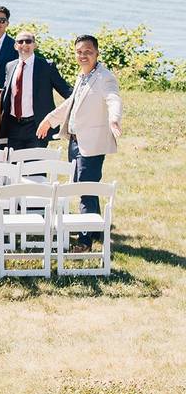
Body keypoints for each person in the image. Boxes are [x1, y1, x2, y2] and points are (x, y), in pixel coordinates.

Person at [37, 35, 122, 251]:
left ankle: (85, 241)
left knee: (85, 189)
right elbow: (71, 104)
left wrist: (114, 118)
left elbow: (113, 98)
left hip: (91, 143)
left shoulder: (104, 77)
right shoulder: (83, 76)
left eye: (88, 52)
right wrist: (49, 119)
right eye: (79, 52)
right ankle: (97, 229)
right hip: (74, 142)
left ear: (97, 53)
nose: (83, 56)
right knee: (86, 186)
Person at [0, 31, 73, 150]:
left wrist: (83, 97)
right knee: (13, 166)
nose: (24, 44)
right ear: (15, 46)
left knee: (35, 167)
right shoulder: (10, 66)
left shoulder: (46, 66)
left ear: (35, 45)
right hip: (13, 127)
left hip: (36, 126)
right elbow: (5, 95)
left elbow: (66, 90)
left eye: (28, 41)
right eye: (20, 41)